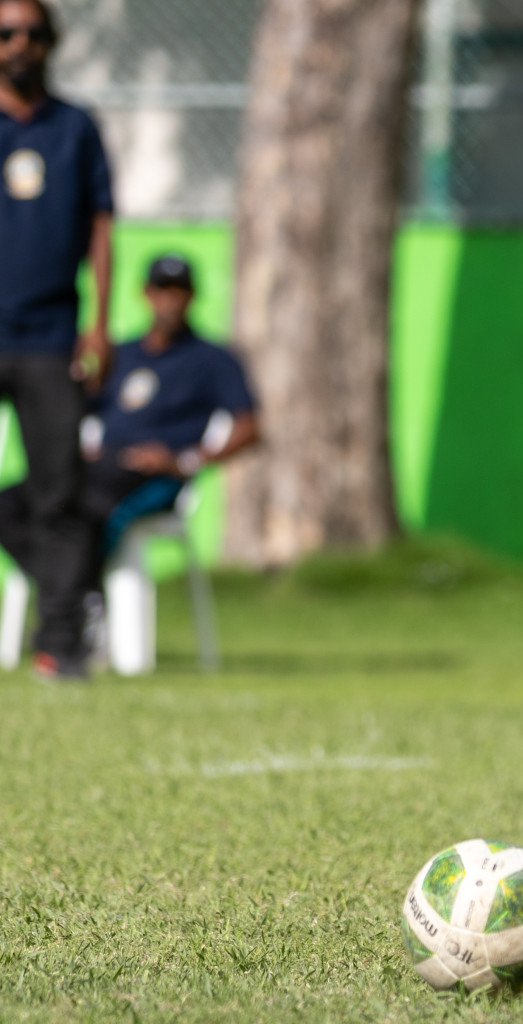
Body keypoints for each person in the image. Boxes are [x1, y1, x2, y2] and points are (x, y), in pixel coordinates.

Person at [0, 255, 258, 640]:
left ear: (191, 297)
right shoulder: (121, 354)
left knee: (85, 511)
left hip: (155, 474)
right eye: (161, 290)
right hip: (99, 464)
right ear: (146, 294)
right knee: (12, 502)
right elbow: (77, 407)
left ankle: (72, 606)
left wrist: (186, 459)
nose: (169, 301)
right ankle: (75, 595)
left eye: (178, 291)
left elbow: (249, 426)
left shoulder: (213, 359)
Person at [0, 0, 113, 679]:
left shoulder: (76, 128)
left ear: (52, 44)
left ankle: (62, 644)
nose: (20, 44)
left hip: (50, 339)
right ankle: (73, 593)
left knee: (58, 494)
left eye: (34, 34)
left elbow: (101, 224)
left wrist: (97, 323)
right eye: (7, 32)